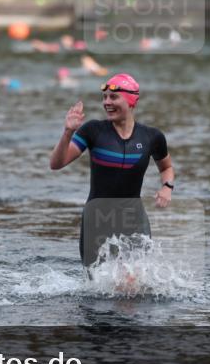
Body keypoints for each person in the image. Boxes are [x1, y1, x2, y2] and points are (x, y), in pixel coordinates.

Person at [49, 73, 175, 274]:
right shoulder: (93, 131)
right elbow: (56, 163)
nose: (107, 102)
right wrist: (67, 132)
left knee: (133, 282)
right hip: (97, 218)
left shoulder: (152, 137)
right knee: (98, 288)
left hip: (133, 217)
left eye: (113, 97)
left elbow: (166, 167)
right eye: (105, 97)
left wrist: (167, 187)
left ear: (132, 100)